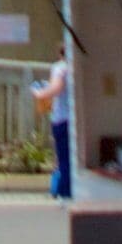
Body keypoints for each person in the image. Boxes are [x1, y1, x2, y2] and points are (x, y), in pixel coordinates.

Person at [32, 39, 76, 200]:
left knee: (63, 158)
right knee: (71, 157)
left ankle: (64, 191)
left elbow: (56, 88)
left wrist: (39, 93)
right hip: (74, 119)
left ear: (60, 54)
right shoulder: (76, 67)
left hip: (62, 118)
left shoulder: (60, 68)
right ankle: (70, 189)